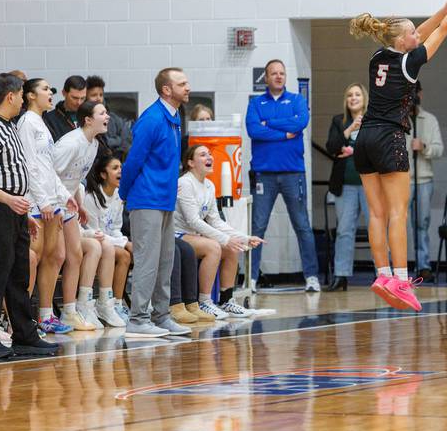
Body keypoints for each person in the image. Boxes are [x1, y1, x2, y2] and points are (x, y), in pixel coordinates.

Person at [349, 0, 447, 311]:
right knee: (398, 212)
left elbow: (424, 29)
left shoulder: (377, 57)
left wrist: (443, 6)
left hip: (365, 137)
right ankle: (401, 280)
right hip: (390, 138)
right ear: (403, 41)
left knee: (376, 213)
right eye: (413, 32)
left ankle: (382, 274)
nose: (418, 34)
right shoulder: (411, 63)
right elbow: (443, 29)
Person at [0, 73, 58, 358]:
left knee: (19, 272)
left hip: (16, 210)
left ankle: (24, 334)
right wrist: (10, 200)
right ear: (10, 96)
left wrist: (23, 212)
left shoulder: (9, 126)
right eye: (21, 94)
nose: (23, 99)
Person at [119, 67, 191, 337]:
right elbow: (133, 162)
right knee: (147, 261)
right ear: (166, 90)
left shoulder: (174, 117)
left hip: (165, 200)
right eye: (182, 84)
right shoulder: (151, 119)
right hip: (146, 198)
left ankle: (161, 316)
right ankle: (137, 319)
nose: (188, 87)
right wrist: (125, 194)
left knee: (164, 261)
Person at [245, 59, 320, 293]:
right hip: (264, 174)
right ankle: (252, 279)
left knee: (302, 226)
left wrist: (270, 124)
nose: (278, 76)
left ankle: (311, 276)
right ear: (265, 78)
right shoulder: (255, 103)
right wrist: (284, 133)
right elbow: (253, 130)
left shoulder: (297, 100)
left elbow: (301, 122)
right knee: (257, 227)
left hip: (293, 173)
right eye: (273, 73)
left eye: (282, 73)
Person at [175, 144, 269, 318]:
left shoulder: (209, 185)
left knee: (232, 248)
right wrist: (224, 240)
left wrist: (245, 238)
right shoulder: (185, 183)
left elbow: (215, 221)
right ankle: (204, 302)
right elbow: (193, 221)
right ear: (190, 162)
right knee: (214, 247)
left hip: (193, 235)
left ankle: (226, 301)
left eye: (209, 154)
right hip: (176, 235)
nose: (209, 157)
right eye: (202, 155)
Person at [53, 101, 125, 329]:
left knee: (85, 252)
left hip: (68, 204)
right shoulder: (70, 143)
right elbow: (50, 174)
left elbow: (73, 177)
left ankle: (82, 306)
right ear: (88, 119)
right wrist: (66, 196)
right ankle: (57, 311)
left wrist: (79, 202)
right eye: (102, 113)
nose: (108, 116)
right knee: (61, 256)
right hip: (50, 204)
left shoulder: (93, 144)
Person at [16, 78, 77, 334]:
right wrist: (42, 202)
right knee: (33, 257)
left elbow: (48, 167)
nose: (50, 93)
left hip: (51, 200)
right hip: (36, 201)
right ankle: (21, 319)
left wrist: (63, 195)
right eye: (44, 89)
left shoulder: (42, 122)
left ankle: (45, 315)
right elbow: (29, 166)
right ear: (30, 95)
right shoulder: (26, 123)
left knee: (57, 256)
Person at [325, 82, 369, 291]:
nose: (353, 98)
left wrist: (355, 151)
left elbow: (379, 148)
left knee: (377, 230)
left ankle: (384, 276)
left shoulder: (373, 120)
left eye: (357, 95)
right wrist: (350, 129)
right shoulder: (338, 121)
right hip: (345, 185)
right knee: (344, 230)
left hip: (371, 185)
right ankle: (341, 275)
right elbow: (332, 146)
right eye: (350, 95)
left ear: (364, 98)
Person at [83, 153, 134, 323]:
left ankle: (117, 304)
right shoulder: (91, 197)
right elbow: (95, 233)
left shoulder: (119, 196)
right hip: (91, 242)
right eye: (115, 168)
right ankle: (103, 303)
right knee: (124, 253)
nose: (120, 171)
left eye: (121, 167)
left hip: (110, 243)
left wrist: (123, 241)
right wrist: (125, 243)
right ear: (103, 175)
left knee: (126, 255)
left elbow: (116, 229)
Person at [406, 82, 444, 282]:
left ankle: (423, 265)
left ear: (420, 93)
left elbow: (439, 149)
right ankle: (400, 266)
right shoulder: (398, 120)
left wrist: (424, 146)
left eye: (414, 92)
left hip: (423, 179)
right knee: (400, 224)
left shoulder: (429, 120)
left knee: (422, 223)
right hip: (402, 181)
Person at [85, 75, 132, 157]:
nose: (98, 98)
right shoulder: (83, 119)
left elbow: (127, 139)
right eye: (94, 95)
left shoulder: (113, 118)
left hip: (115, 162)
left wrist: (115, 154)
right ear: (85, 97)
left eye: (101, 95)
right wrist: (117, 140)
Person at [43, 75, 87, 142]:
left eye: (83, 98)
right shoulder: (49, 119)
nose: (79, 102)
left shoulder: (91, 115)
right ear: (64, 93)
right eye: (74, 98)